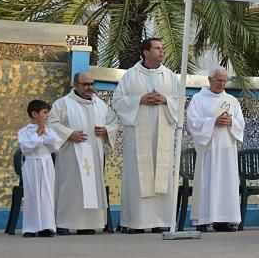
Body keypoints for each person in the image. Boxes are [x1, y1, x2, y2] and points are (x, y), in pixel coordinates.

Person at [113, 37, 182, 233]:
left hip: (163, 133)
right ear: (145, 52)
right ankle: (135, 222)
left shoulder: (169, 76)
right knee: (137, 174)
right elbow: (118, 101)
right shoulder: (130, 76)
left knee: (162, 173)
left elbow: (180, 100)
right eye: (157, 48)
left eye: (162, 48)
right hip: (137, 135)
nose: (162, 52)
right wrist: (139, 100)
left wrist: (166, 100)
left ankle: (160, 221)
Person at [48, 72, 119, 235]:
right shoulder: (63, 104)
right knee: (70, 187)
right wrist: (68, 134)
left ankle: (87, 224)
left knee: (92, 187)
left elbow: (114, 122)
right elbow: (52, 123)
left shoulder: (100, 105)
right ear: (75, 84)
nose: (90, 88)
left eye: (92, 84)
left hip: (94, 153)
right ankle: (64, 223)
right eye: (85, 84)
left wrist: (106, 130)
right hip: (71, 155)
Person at [188, 67, 245, 232]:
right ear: (209, 80)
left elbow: (241, 123)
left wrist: (232, 122)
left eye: (224, 80)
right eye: (218, 80)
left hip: (227, 148)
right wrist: (213, 121)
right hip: (209, 148)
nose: (222, 83)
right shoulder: (198, 99)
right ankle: (204, 219)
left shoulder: (232, 100)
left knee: (227, 182)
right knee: (207, 181)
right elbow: (193, 122)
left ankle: (225, 219)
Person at [18, 99, 61, 237]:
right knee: (32, 194)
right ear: (34, 114)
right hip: (31, 164)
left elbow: (55, 145)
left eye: (47, 112)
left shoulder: (49, 130)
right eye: (44, 112)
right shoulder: (24, 131)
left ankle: (47, 226)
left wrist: (44, 134)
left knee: (46, 194)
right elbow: (26, 147)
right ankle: (31, 227)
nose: (47, 115)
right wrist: (37, 135)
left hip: (47, 163)